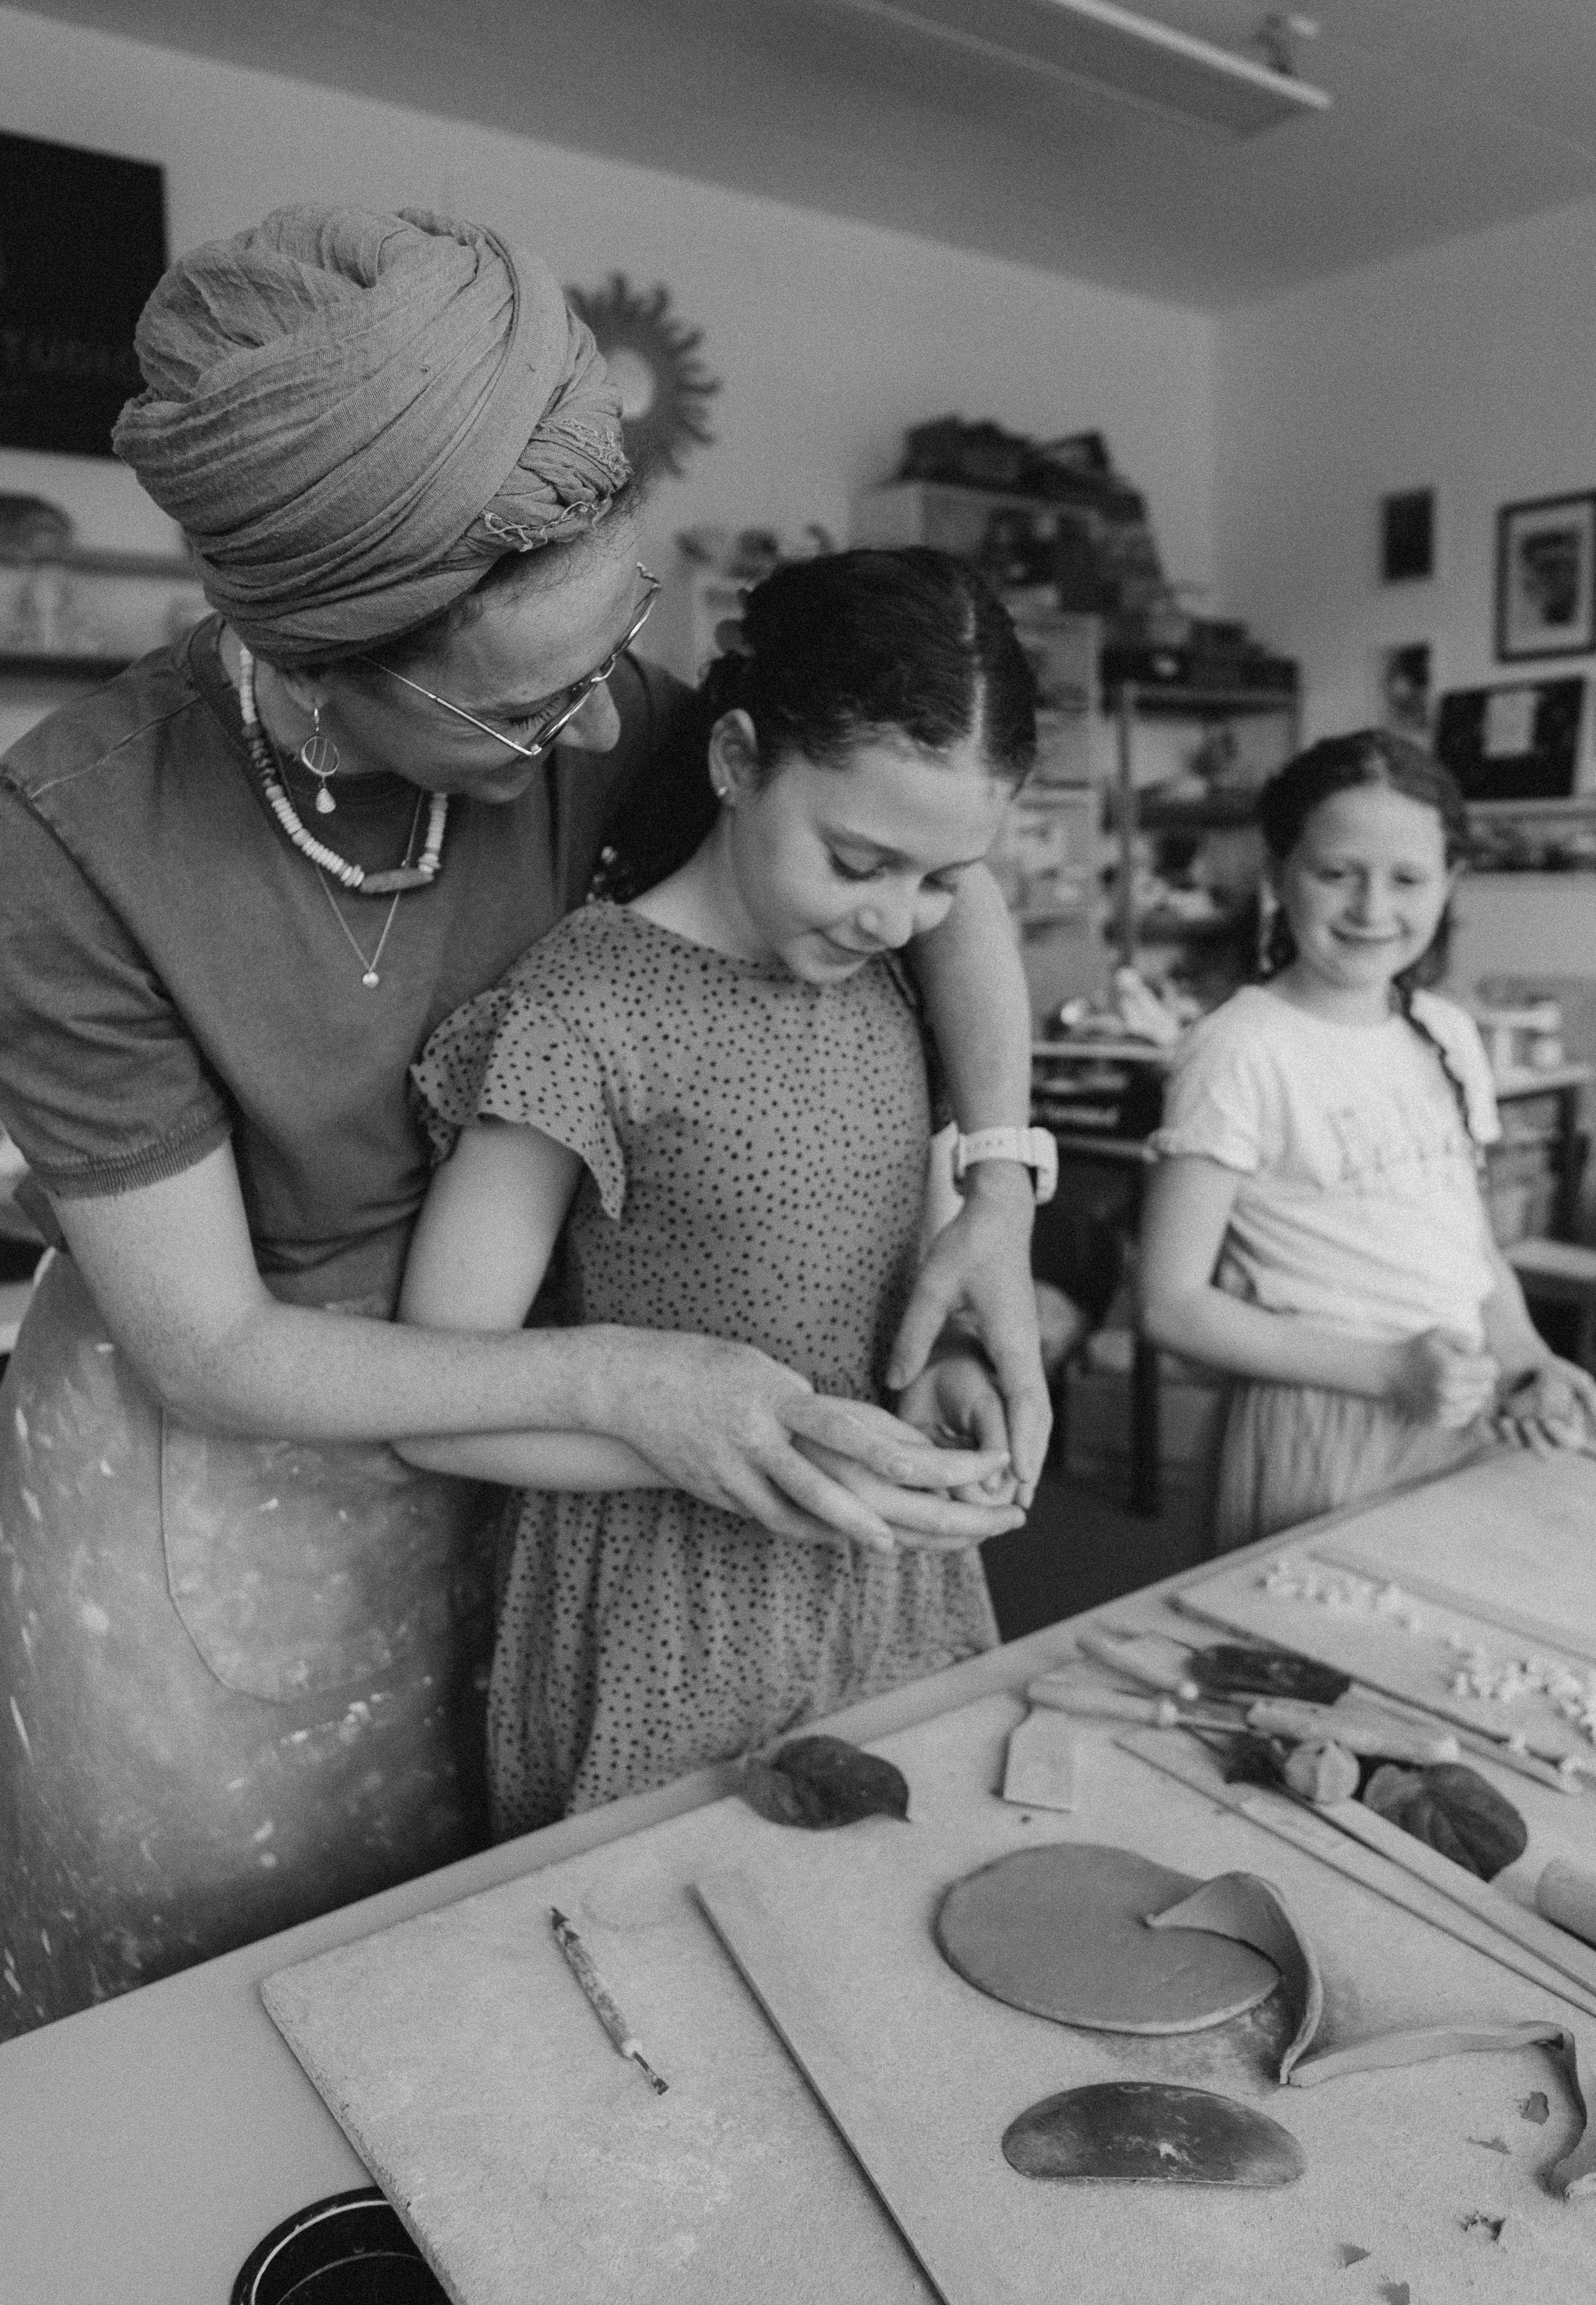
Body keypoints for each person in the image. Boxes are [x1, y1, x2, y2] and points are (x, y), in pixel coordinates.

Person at [0, 207, 1048, 2035]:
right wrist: (625, 1384)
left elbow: (939, 864)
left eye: (619, 642)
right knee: (258, 2000)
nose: (590, 734)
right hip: (235, 1497)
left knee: (545, 1960)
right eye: (516, 709)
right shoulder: (74, 842)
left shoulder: (608, 702)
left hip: (573, 1499)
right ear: (318, 653)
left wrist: (1004, 1180)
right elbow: (217, 1348)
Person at [397, 549, 1042, 1831]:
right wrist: (711, 1451)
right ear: (738, 761)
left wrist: (937, 1367)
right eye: (858, 862)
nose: (897, 918)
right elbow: (435, 1407)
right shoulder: (582, 1009)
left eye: (941, 882)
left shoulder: (892, 978)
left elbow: (880, 1273)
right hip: (658, 1616)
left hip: (884, 1583)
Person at [1138, 728, 1596, 1549]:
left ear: (1450, 882)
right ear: (1279, 875)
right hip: (1318, 1418)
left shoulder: (1447, 1032)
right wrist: (1388, 1371)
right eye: (1337, 873)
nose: (1372, 909)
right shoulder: (1242, 1048)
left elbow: (1470, 1248)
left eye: (1408, 879)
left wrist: (1526, 1358)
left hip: (1458, 1407)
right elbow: (1169, 1304)